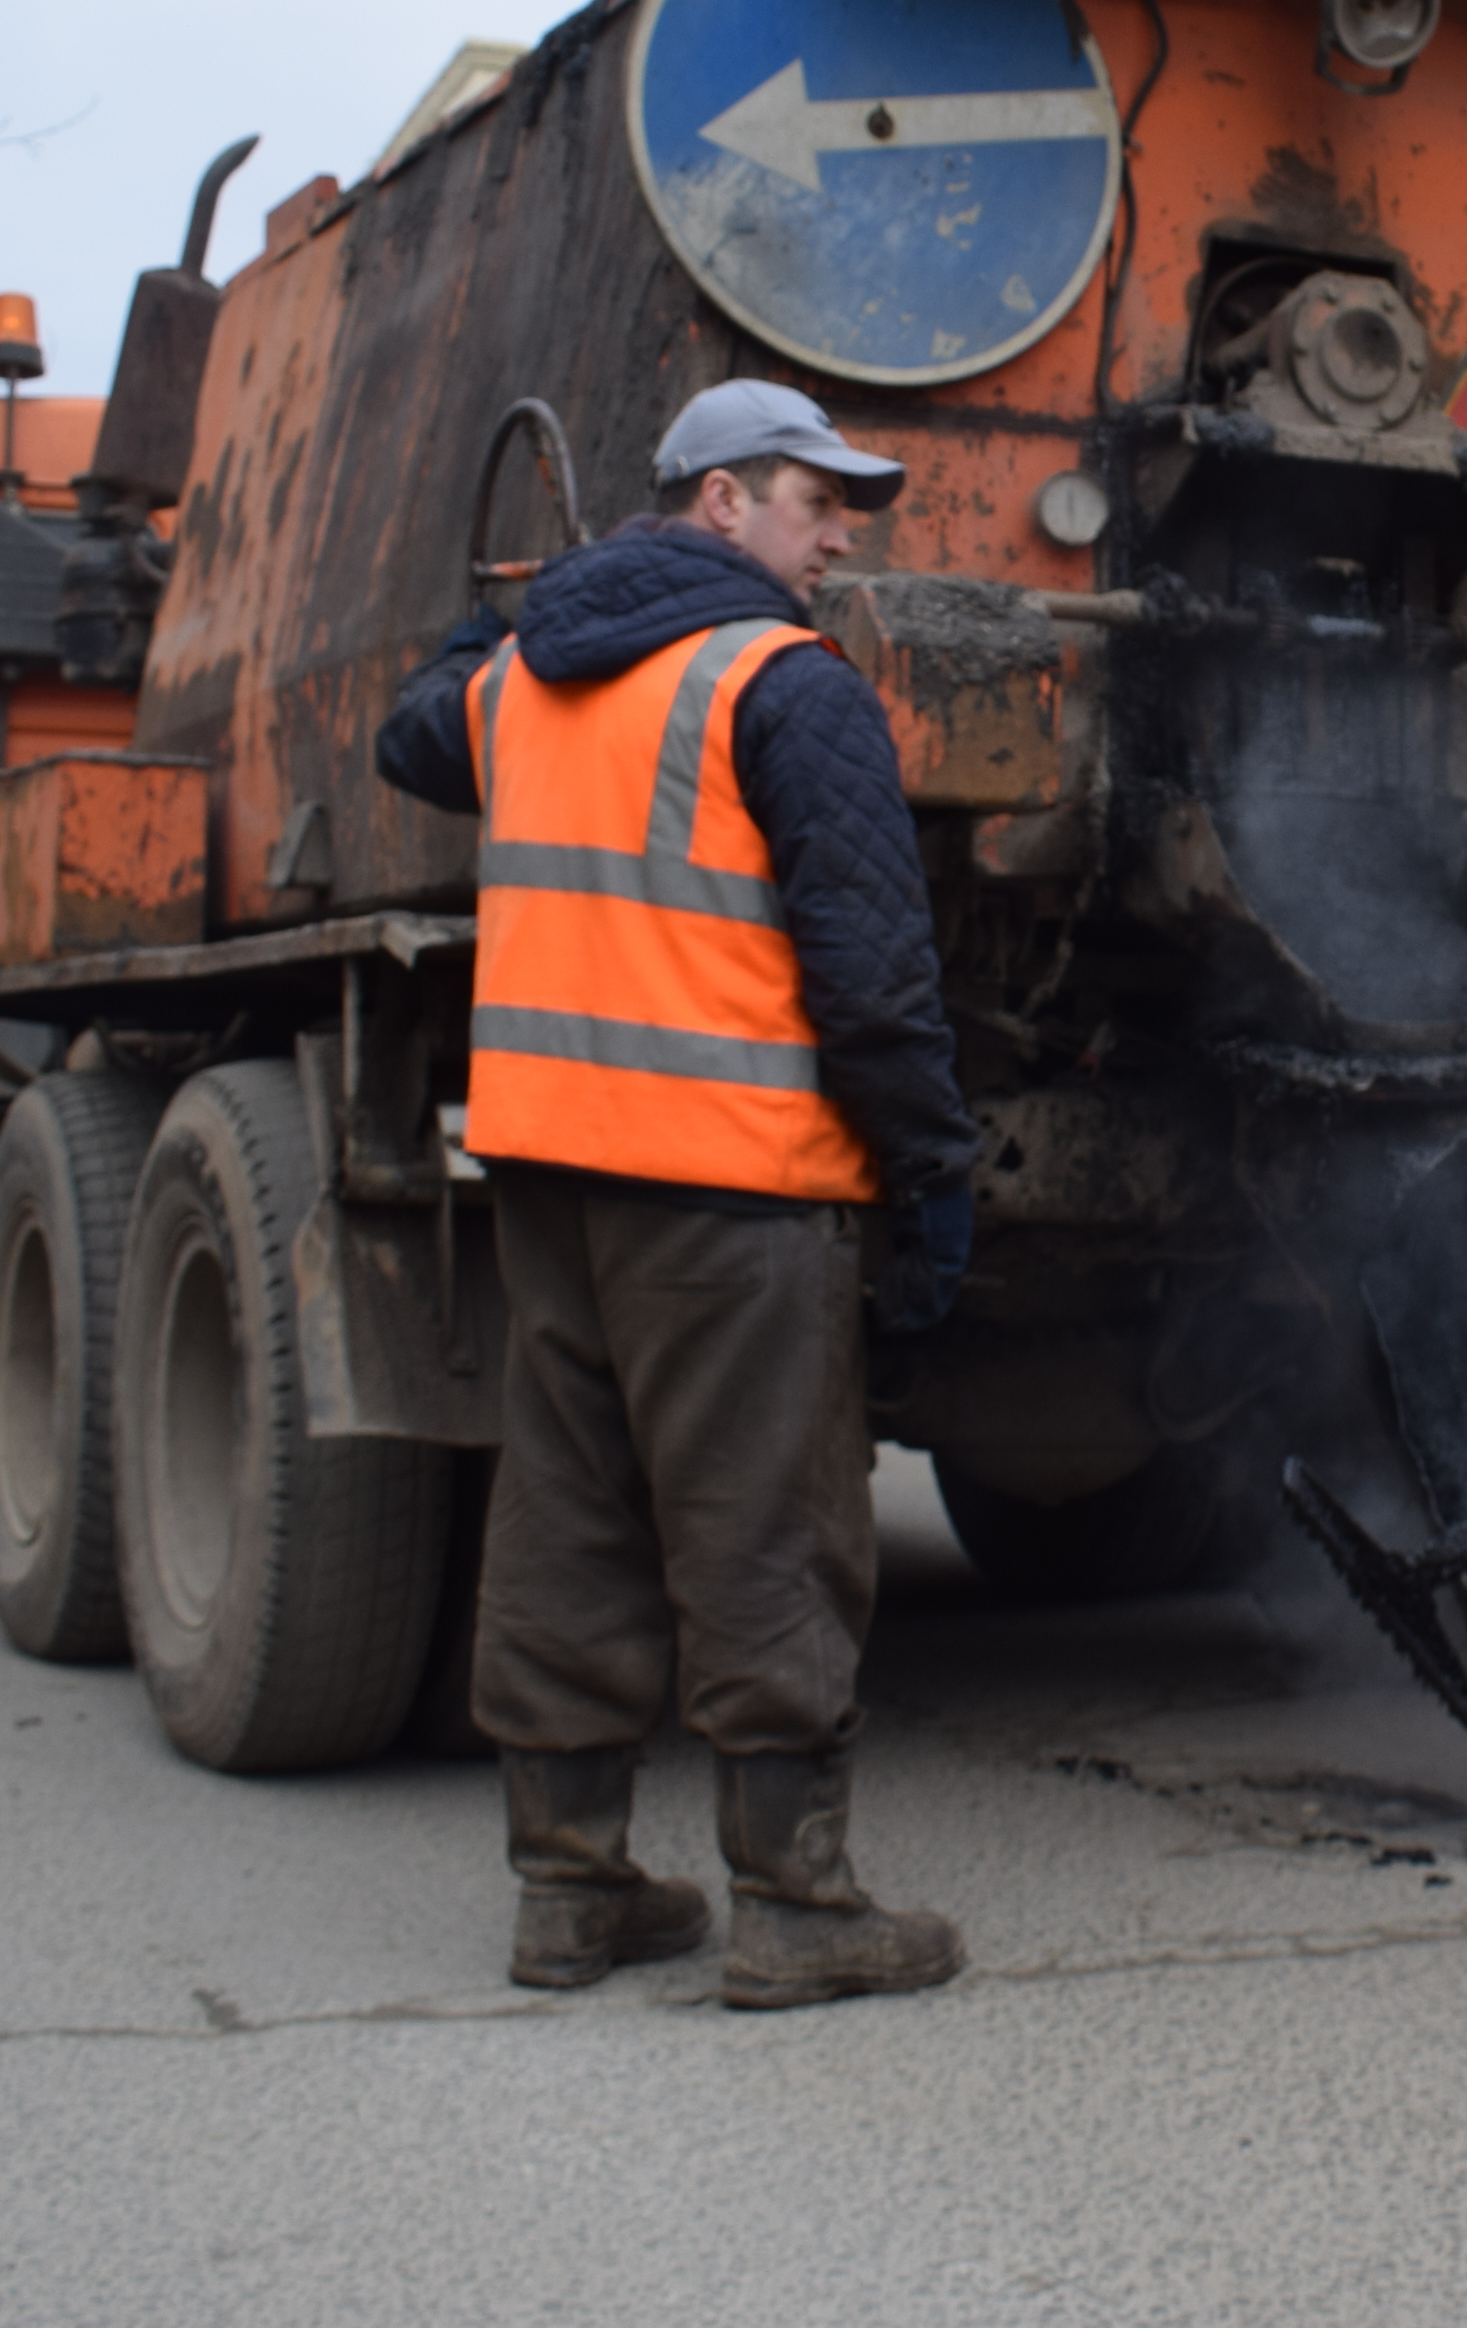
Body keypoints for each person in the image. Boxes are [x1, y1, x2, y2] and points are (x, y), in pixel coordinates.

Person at [377, 377, 981, 2008]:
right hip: (731, 1184)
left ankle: (569, 1895)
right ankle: (796, 1909)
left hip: (553, 1175)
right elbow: (872, 968)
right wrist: (928, 1165)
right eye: (813, 497)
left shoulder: (518, 684)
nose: (840, 530)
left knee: (566, 1518)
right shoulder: (782, 685)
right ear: (720, 503)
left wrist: (507, 606)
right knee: (768, 1535)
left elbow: (408, 724)